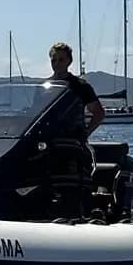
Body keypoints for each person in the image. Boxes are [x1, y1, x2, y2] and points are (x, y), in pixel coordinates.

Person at [42, 43, 101, 219]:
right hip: (49, 143)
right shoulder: (44, 88)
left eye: (61, 59)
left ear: (69, 61)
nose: (57, 63)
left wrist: (85, 133)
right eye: (54, 59)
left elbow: (98, 113)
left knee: (73, 185)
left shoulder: (80, 86)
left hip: (72, 143)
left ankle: (78, 212)